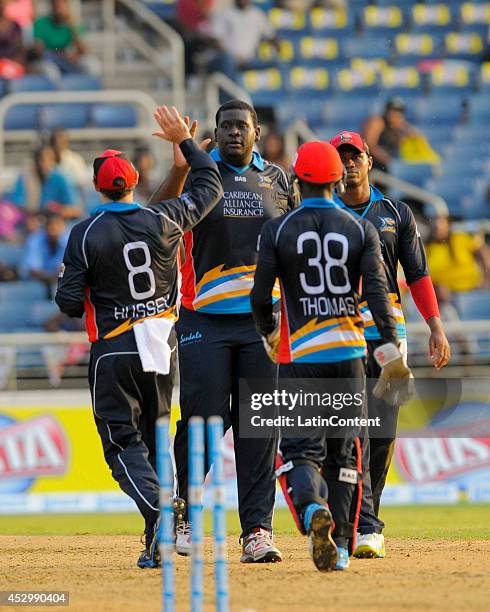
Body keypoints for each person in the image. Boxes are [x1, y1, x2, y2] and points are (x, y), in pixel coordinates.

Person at [55, 105, 223, 569]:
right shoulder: (164, 219)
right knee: (155, 438)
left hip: (113, 346)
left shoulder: (85, 232)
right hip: (162, 343)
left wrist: (78, 282)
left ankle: (161, 514)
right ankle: (157, 537)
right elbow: (210, 185)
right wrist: (186, 152)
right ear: (133, 184)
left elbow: (69, 303)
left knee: (121, 444)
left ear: (97, 188)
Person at [250, 140, 410, 572]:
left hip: (303, 357)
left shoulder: (278, 230)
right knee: (346, 457)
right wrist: (391, 352)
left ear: (299, 181)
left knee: (302, 454)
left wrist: (269, 334)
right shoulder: (361, 230)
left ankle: (310, 510)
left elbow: (260, 296)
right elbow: (379, 295)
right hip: (350, 357)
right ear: (337, 178)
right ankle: (339, 546)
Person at [150, 99, 293, 562]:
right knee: (201, 422)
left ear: (257, 132)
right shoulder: (198, 173)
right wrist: (178, 165)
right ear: (213, 132)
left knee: (259, 430)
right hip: (203, 320)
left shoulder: (277, 180)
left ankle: (257, 531)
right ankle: (185, 517)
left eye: (241, 126)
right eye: (225, 126)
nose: (233, 132)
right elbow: (154, 217)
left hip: (262, 325)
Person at [330, 130, 451, 558]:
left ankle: (369, 524)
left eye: (354, 156)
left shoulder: (395, 213)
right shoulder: (323, 213)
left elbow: (417, 274)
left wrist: (435, 326)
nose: (348, 164)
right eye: (340, 157)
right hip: (336, 333)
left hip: (389, 334)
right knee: (344, 429)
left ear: (368, 160)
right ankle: (346, 516)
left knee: (382, 429)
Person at [11, 144, 82, 220]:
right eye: (38, 160)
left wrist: (57, 211)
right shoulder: (26, 177)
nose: (41, 164)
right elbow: (17, 205)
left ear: (53, 160)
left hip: (57, 224)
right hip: (32, 222)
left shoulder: (61, 178)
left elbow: (76, 210)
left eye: (45, 160)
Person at [425, 215, 490, 293]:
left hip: (472, 289)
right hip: (445, 295)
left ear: (448, 226)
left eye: (441, 225)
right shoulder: (426, 248)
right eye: (434, 226)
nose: (438, 228)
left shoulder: (459, 238)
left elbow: (482, 250)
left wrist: (486, 277)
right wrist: (435, 287)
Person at [32, 0, 94, 78]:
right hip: (49, 59)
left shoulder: (74, 23)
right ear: (52, 6)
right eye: (56, 5)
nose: (59, 9)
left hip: (68, 59)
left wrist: (73, 28)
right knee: (51, 71)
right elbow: (39, 51)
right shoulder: (41, 23)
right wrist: (59, 54)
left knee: (92, 65)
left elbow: (83, 49)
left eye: (62, 5)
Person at [212, 0, 278, 69]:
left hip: (251, 60)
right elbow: (216, 40)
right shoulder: (224, 13)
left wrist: (276, 49)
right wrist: (233, 56)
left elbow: (271, 35)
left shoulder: (257, 14)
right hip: (230, 59)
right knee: (227, 60)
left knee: (278, 62)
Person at [362, 97, 420, 172]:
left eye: (398, 111)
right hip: (372, 167)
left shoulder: (399, 126)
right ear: (386, 111)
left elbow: (417, 135)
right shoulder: (377, 122)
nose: (394, 114)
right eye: (391, 110)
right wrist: (389, 161)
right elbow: (368, 145)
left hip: (386, 168)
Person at [20, 211, 68, 297]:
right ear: (44, 227)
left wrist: (57, 276)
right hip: (38, 283)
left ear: (63, 226)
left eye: (57, 224)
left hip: (61, 283)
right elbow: (31, 269)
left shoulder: (70, 241)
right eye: (50, 225)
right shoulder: (34, 240)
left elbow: (65, 268)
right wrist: (49, 277)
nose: (54, 228)